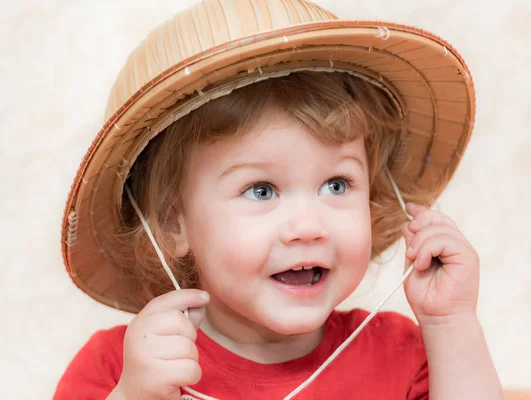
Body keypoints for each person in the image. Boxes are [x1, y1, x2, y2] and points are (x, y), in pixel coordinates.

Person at [54, 0, 503, 399]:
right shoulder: (122, 367)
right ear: (174, 223)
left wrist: (450, 323)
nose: (308, 225)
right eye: (262, 190)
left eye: (337, 184)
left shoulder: (400, 355)